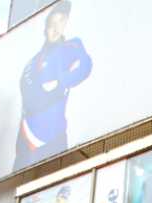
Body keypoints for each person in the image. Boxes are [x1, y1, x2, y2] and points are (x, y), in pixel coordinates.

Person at [13, 0, 92, 172]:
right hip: (28, 136)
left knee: (58, 180)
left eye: (61, 21)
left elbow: (85, 65)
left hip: (54, 136)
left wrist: (60, 82)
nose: (56, 28)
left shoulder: (72, 46)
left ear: (67, 22)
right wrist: (48, 90)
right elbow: (27, 90)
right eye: (52, 23)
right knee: (19, 182)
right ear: (46, 27)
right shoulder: (33, 62)